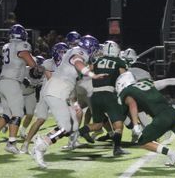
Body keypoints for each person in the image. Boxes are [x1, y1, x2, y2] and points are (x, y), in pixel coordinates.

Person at [31, 35, 106, 168]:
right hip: (58, 89)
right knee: (66, 126)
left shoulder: (74, 50)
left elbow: (75, 69)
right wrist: (92, 74)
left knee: (72, 125)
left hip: (59, 89)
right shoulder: (80, 53)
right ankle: (41, 144)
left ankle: (42, 142)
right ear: (89, 47)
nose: (95, 52)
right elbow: (78, 62)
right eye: (94, 49)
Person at [0, 24, 39, 154]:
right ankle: (11, 143)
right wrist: (35, 65)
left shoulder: (6, 46)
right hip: (13, 82)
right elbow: (30, 61)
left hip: (2, 82)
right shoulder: (22, 45)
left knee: (7, 113)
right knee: (18, 114)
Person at [78, 40, 129, 156]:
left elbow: (84, 72)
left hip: (95, 96)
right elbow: (125, 78)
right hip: (109, 94)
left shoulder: (97, 61)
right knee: (118, 124)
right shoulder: (119, 61)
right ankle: (117, 148)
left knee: (98, 124)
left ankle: (80, 131)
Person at [20, 42, 69, 154]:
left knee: (66, 122)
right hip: (47, 94)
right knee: (41, 119)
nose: (64, 54)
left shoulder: (66, 65)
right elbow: (51, 78)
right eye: (62, 52)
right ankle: (26, 144)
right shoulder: (48, 63)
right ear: (56, 53)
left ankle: (44, 141)